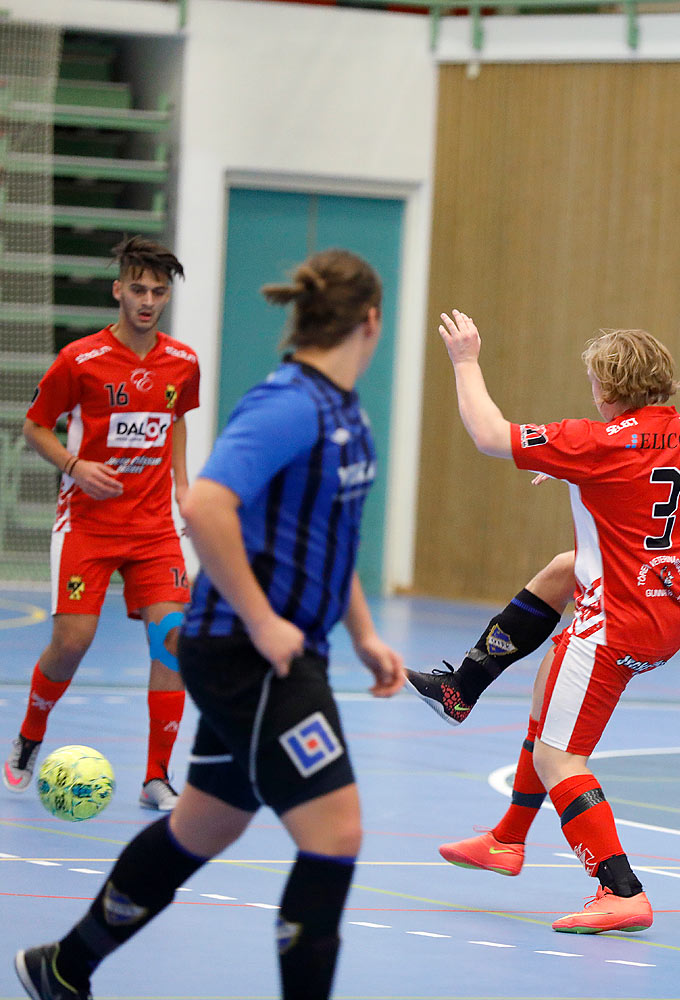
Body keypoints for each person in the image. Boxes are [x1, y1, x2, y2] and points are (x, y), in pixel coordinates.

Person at [13, 249, 405, 1000]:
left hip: (283, 652)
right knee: (338, 836)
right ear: (371, 321)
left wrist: (362, 633)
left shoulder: (347, 412)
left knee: (202, 830)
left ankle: (62, 967)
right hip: (254, 659)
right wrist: (261, 622)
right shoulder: (290, 401)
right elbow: (205, 504)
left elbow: (329, 539)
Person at [407, 332, 680, 926]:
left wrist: (589, 465)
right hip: (672, 577)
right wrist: (590, 467)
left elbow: (671, 506)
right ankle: (475, 720)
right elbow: (658, 472)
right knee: (558, 601)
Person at [425, 310, 680, 934]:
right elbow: (651, 496)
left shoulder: (599, 440)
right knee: (548, 680)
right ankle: (506, 837)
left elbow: (487, 434)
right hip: (664, 610)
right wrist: (575, 471)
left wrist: (466, 360)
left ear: (607, 387)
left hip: (613, 623)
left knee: (562, 756)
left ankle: (621, 889)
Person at [4, 236, 199, 811]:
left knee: (172, 642)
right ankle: (28, 737)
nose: (146, 300)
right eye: (137, 289)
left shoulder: (182, 361)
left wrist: (181, 483)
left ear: (166, 297)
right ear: (119, 290)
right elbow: (36, 425)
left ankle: (157, 777)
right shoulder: (79, 360)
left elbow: (178, 417)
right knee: (72, 642)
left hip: (152, 526)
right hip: (86, 524)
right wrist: (74, 464)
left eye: (158, 292)